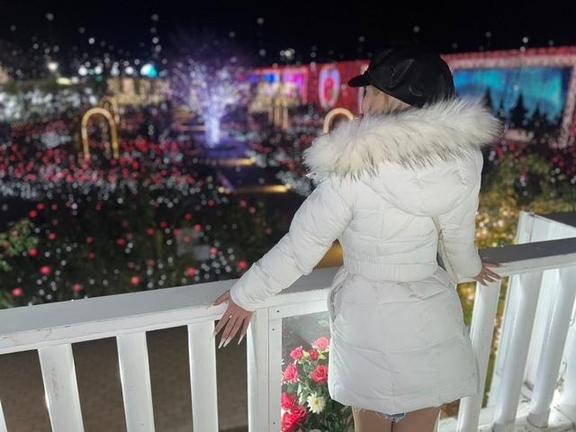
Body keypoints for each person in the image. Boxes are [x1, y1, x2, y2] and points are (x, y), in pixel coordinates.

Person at [210, 44, 504, 432]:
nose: (362, 100)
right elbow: (458, 241)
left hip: (369, 324)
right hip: (429, 317)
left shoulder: (354, 166)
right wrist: (471, 269)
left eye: (368, 91)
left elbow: (301, 248)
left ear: (383, 97)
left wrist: (246, 295)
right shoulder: (460, 164)